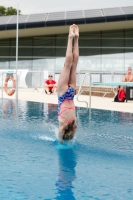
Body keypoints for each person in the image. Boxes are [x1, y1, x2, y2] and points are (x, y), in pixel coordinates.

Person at [57, 24, 79, 143]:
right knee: (69, 65)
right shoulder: (63, 124)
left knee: (73, 65)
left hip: (69, 94)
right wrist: (60, 141)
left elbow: (72, 131)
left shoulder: (73, 123)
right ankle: (72, 38)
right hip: (63, 95)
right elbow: (60, 135)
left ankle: (75, 38)